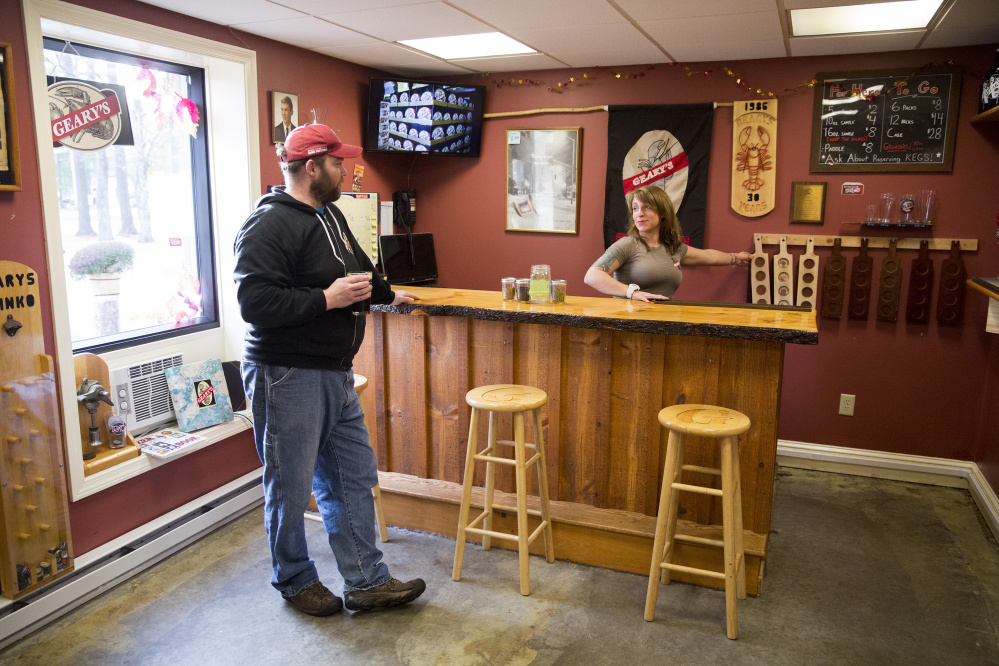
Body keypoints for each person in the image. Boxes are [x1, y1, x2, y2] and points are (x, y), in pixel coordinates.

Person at [234, 124, 425, 616]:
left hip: (335, 372)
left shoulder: (331, 214)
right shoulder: (269, 223)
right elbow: (254, 302)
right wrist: (325, 298)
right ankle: (295, 581)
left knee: (352, 476)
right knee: (290, 486)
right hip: (286, 375)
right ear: (313, 167)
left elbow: (360, 271)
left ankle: (365, 580)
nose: (348, 169)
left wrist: (388, 294)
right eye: (340, 162)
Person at [584, 185, 751, 302]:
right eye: (635, 208)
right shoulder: (628, 245)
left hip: (664, 324)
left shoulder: (673, 247)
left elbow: (708, 256)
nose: (639, 214)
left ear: (663, 212)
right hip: (628, 324)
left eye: (647, 207)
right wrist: (632, 293)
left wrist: (736, 258)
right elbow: (592, 276)